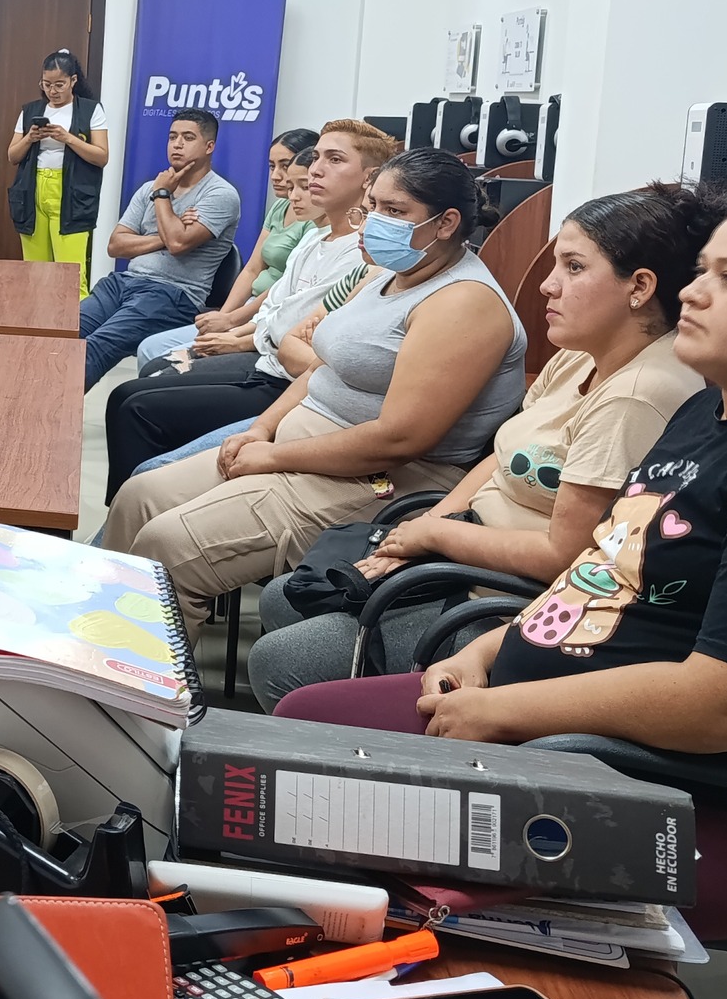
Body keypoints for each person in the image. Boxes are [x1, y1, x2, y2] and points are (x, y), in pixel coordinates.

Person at [274, 199, 727, 942]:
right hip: (548, 729)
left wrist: (509, 712)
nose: (693, 292)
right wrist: (489, 649)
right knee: (299, 733)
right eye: (703, 270)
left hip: (664, 796)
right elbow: (602, 567)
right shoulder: (710, 407)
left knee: (304, 804)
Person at [246, 183, 727, 710]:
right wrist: (421, 532)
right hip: (465, 553)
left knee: (282, 661)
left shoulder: (638, 396)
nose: (547, 285)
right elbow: (500, 458)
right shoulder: (580, 354)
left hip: (507, 602)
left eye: (573, 267)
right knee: (287, 597)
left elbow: (566, 555)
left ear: (639, 287)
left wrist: (437, 537)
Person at [106, 148, 525, 640]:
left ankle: (138, 681)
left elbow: (399, 440)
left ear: (446, 223)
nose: (374, 222)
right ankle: (87, 652)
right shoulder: (389, 276)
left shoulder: (464, 302)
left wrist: (272, 456)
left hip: (374, 479)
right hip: (300, 448)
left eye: (394, 211)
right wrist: (262, 429)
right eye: (372, 207)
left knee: (169, 543)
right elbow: (323, 368)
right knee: (139, 497)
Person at [104, 120, 395, 495]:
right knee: (131, 392)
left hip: (280, 379)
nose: (316, 169)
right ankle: (132, 503)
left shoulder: (361, 253)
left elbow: (291, 331)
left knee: (137, 408)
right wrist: (249, 328)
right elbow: (276, 309)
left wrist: (253, 336)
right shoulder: (315, 238)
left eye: (334, 160)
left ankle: (141, 498)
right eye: (317, 158)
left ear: (369, 178)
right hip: (267, 356)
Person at [77, 108, 240, 391]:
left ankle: (40, 414)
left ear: (209, 146)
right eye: (172, 137)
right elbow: (116, 245)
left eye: (188, 138)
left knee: (95, 347)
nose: (177, 144)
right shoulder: (148, 188)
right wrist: (164, 234)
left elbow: (178, 245)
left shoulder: (221, 194)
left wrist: (162, 195)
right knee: (64, 335)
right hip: (121, 283)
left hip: (172, 295)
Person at [134, 127, 318, 372]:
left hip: (267, 315)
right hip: (247, 309)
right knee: (150, 348)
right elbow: (252, 269)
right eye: (272, 166)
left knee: (168, 362)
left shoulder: (316, 222)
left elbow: (286, 288)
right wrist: (225, 316)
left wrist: (232, 321)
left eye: (284, 166)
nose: (276, 175)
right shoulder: (279, 207)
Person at [6, 49, 108, 296]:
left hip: (72, 193)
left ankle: (76, 319)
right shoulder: (30, 110)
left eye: (59, 84)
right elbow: (12, 156)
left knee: (71, 274)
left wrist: (68, 138)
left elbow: (101, 156)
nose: (53, 91)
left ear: (73, 80)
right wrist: (30, 138)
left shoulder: (91, 109)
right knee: (35, 273)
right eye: (47, 84)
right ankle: (37, 318)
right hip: (33, 191)